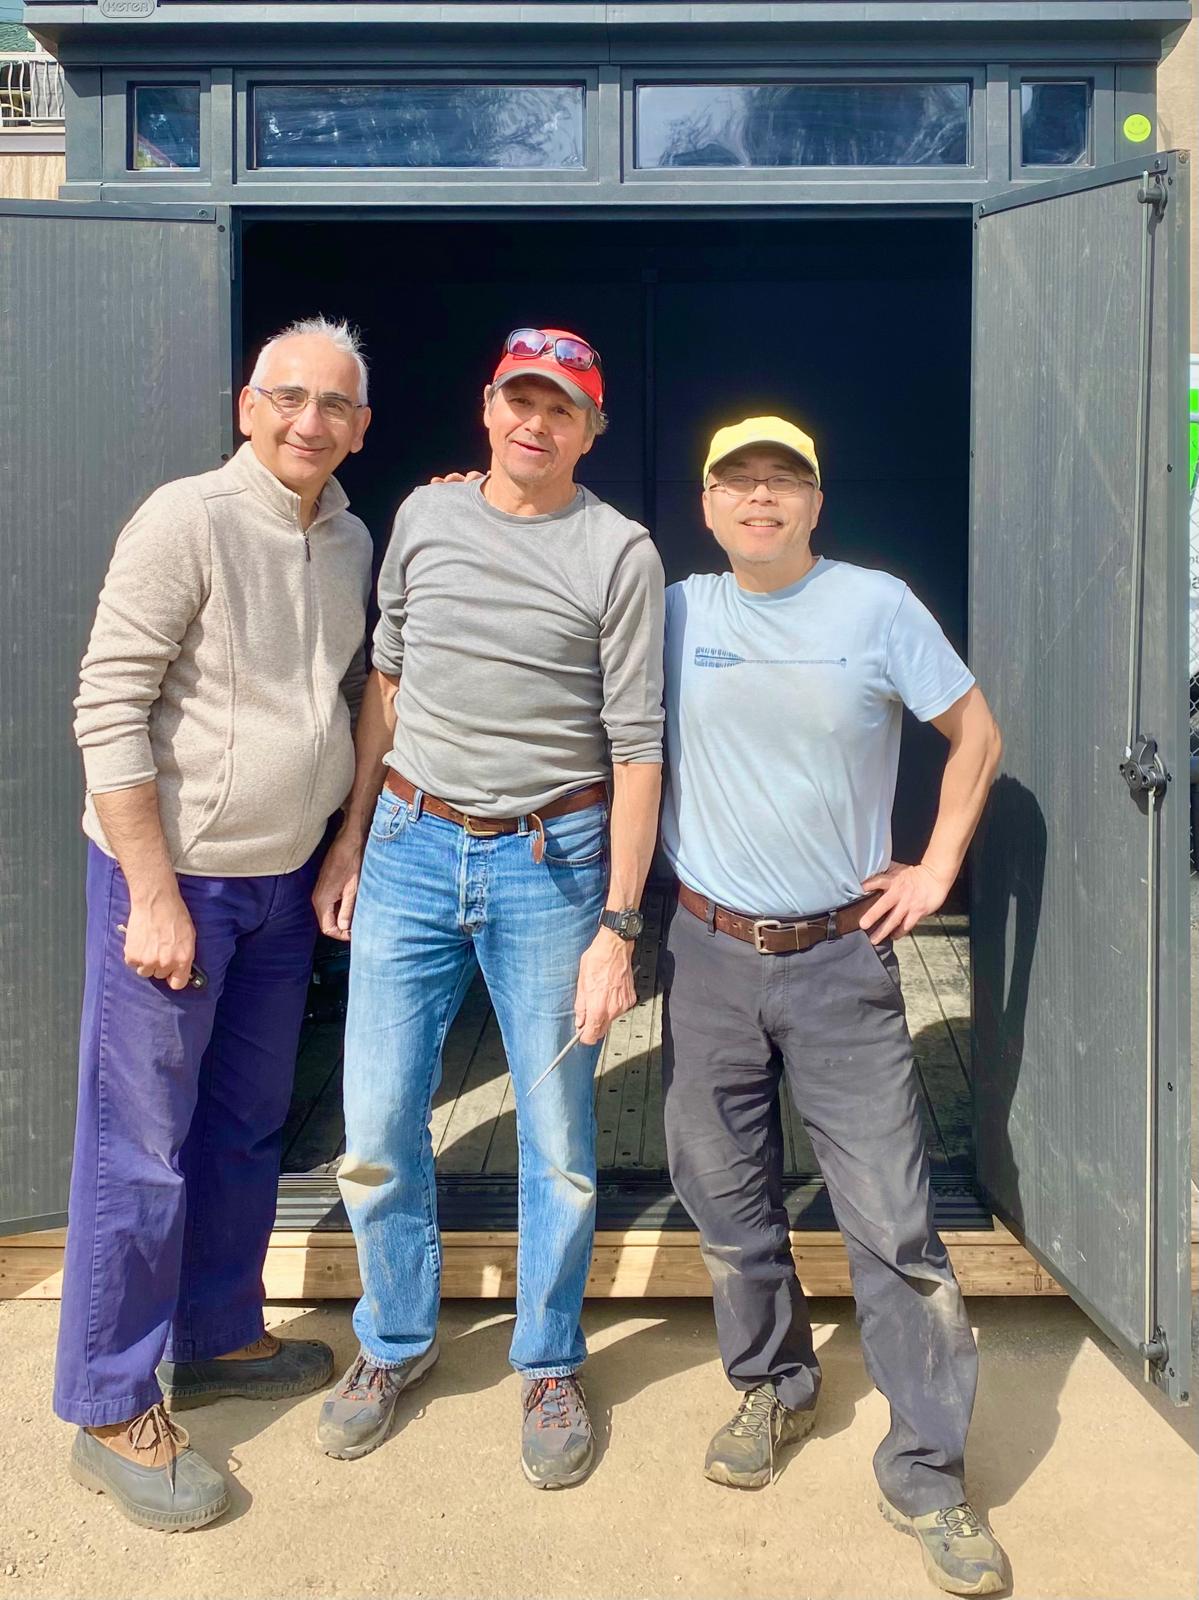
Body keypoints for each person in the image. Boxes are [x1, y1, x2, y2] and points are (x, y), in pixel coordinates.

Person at [311, 327, 665, 1488]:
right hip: (410, 843)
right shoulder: (424, 517)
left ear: (589, 430)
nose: (536, 423)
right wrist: (350, 837)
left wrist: (619, 925)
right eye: (521, 400)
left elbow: (637, 749)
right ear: (486, 408)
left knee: (558, 1139)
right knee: (376, 1121)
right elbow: (386, 683)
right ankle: (392, 1338)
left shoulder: (618, 552)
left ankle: (549, 1357)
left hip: (550, 859)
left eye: (561, 408)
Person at [660, 417, 1007, 1596]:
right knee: (725, 1200)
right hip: (706, 950)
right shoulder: (675, 613)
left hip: (838, 955)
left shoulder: (874, 604)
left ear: (815, 501)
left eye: (783, 480)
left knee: (893, 1224)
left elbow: (973, 733)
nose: (759, 498)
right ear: (706, 505)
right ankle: (772, 1386)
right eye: (737, 481)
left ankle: (927, 1470)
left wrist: (935, 867)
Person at [55, 317, 374, 1531]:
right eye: (289, 397)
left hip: (282, 883)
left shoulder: (350, 537)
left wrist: (333, 844)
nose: (309, 421)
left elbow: (344, 695)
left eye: (335, 405)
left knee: (244, 1126)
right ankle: (108, 1404)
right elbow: (107, 705)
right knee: (139, 1146)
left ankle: (219, 1332)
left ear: (360, 427)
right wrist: (149, 891)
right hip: (175, 883)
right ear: (249, 406)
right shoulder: (183, 519)